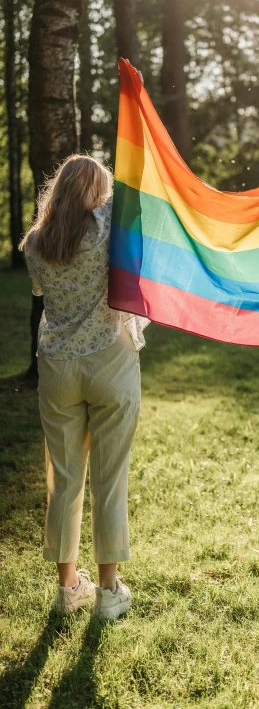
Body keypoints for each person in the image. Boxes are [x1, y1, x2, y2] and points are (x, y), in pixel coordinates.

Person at [20, 154, 149, 620]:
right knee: (109, 480)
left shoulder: (35, 243)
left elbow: (41, 293)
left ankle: (67, 587)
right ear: (96, 193)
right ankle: (109, 592)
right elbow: (137, 196)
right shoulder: (105, 225)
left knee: (65, 480)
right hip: (110, 361)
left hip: (57, 367)